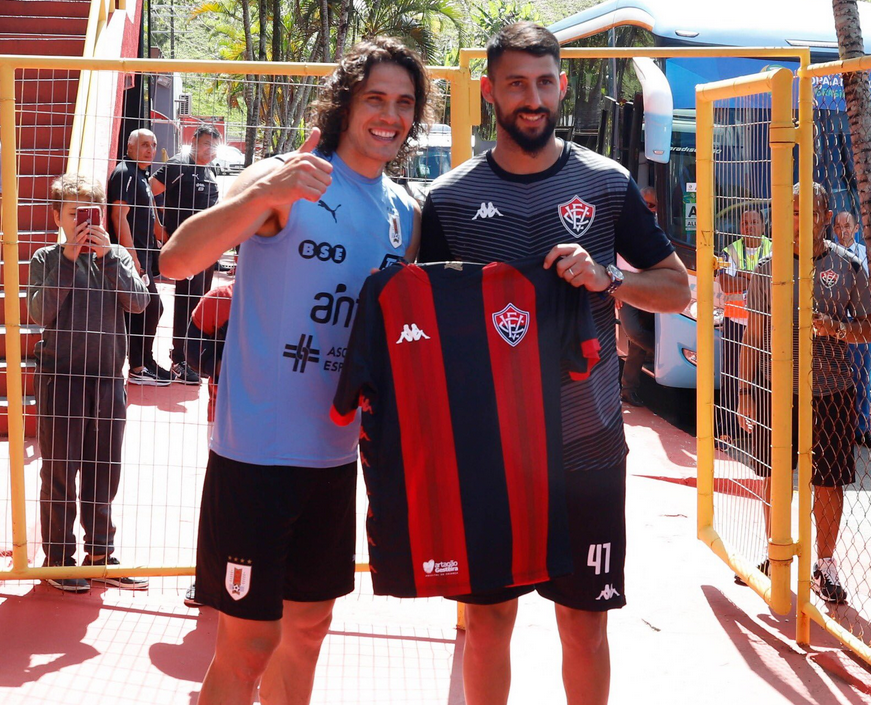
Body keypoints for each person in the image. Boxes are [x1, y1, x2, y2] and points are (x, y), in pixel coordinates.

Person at [417, 23, 689, 705]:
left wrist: (608, 277)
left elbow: (677, 286)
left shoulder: (605, 184)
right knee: (485, 624)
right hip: (488, 454)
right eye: (515, 83)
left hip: (586, 447)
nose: (531, 98)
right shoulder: (447, 198)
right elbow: (419, 326)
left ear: (561, 86)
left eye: (543, 82)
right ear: (489, 92)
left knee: (584, 626)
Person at [159, 37, 429, 705]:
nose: (389, 115)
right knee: (248, 644)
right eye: (375, 99)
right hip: (256, 454)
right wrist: (265, 192)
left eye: (403, 103)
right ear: (346, 103)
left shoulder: (404, 211)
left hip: (335, 457)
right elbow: (173, 260)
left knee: (308, 627)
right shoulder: (288, 174)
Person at [738, 182, 871, 604]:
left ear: (826, 216)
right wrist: (745, 390)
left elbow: (868, 325)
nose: (801, 220)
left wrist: (836, 328)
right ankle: (776, 554)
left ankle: (824, 566)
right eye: (793, 210)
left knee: (829, 482)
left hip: (832, 390)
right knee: (774, 475)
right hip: (777, 390)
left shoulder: (847, 267)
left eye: (810, 211)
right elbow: (752, 335)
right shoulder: (767, 269)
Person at [28, 174, 150, 592]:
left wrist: (110, 257)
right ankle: (58, 560)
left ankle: (100, 554)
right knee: (61, 470)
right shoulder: (47, 257)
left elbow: (139, 302)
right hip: (60, 378)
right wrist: (68, 257)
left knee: (105, 469)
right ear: (57, 217)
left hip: (106, 379)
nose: (81, 222)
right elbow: (40, 313)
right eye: (72, 214)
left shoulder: (114, 255)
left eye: (88, 213)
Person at [151, 124, 223, 385]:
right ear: (193, 141)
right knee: (185, 303)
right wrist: (159, 229)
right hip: (186, 252)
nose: (210, 150)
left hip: (206, 251)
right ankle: (180, 358)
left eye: (214, 146)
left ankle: (193, 356)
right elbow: (147, 193)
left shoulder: (210, 169)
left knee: (200, 303)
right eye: (205, 144)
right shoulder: (177, 165)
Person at [107, 129, 171, 386]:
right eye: (144, 144)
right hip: (131, 259)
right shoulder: (125, 173)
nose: (150, 150)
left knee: (144, 310)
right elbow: (118, 217)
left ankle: (143, 363)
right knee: (153, 307)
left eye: (153, 145)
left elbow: (153, 220)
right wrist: (133, 261)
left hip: (143, 257)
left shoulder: (141, 175)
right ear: (130, 146)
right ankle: (139, 366)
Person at [715, 208, 771, 449]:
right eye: (745, 223)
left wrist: (744, 277)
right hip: (736, 324)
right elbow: (727, 284)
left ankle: (761, 432)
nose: (750, 226)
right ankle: (726, 433)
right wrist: (756, 276)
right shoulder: (730, 251)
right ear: (740, 226)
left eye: (754, 222)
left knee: (764, 378)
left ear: (763, 225)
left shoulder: (774, 247)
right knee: (731, 378)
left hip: (766, 325)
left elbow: (776, 279)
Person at [833, 210, 871, 446]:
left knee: (861, 377)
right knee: (836, 379)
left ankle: (862, 428)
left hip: (859, 325)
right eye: (837, 226)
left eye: (847, 226)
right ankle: (838, 426)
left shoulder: (864, 255)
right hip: (834, 325)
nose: (842, 231)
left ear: (856, 229)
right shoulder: (828, 254)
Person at [617, 185, 658, 406]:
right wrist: (615, 288)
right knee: (633, 331)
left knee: (637, 343)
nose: (647, 208)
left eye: (651, 205)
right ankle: (661, 355)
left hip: (653, 288)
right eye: (643, 204)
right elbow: (610, 257)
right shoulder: (623, 224)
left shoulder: (661, 227)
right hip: (627, 287)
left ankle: (628, 388)